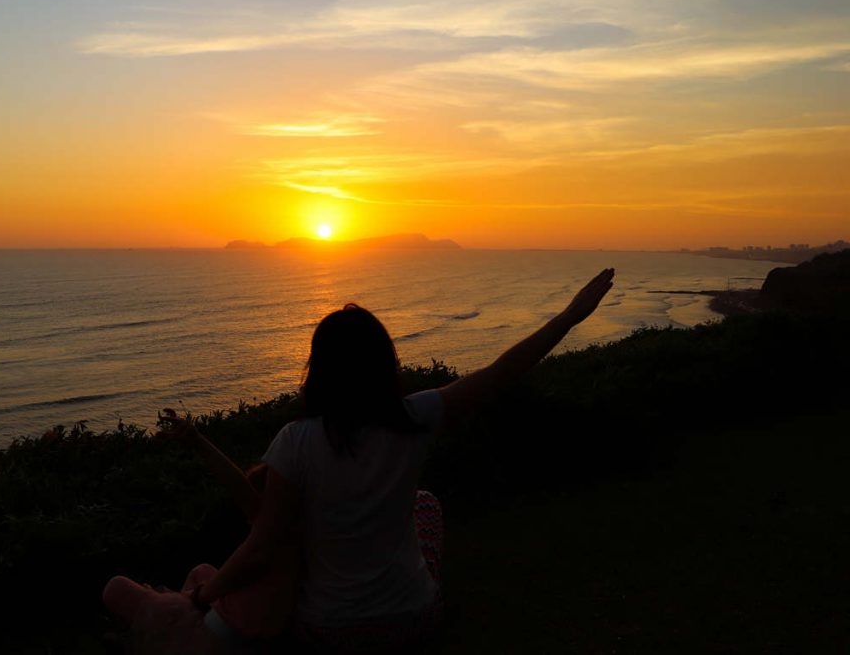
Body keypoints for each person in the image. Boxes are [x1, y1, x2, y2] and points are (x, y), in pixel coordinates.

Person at [187, 268, 616, 653]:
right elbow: (501, 371)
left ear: (320, 369)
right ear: (383, 362)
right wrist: (570, 315)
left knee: (415, 504)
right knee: (424, 504)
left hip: (327, 630)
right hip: (413, 620)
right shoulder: (414, 417)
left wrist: (202, 597)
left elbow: (262, 546)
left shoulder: (294, 442)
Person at [103, 410, 300, 654]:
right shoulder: (303, 530)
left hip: (218, 632)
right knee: (201, 570)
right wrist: (196, 439)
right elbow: (243, 491)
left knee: (116, 587)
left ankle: (150, 632)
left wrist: (194, 598)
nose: (249, 519)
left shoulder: (274, 539)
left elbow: (240, 493)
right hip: (234, 615)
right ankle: (157, 618)